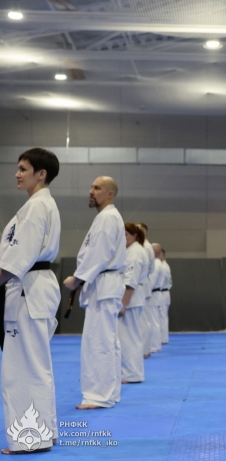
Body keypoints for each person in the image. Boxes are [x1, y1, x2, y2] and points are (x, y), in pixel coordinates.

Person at [0, 148, 61, 454]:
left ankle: (31, 438)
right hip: (31, 289)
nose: (17, 174)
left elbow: (15, 261)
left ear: (41, 173)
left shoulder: (37, 207)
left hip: (28, 289)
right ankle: (44, 433)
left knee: (22, 369)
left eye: (23, 168)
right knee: (35, 365)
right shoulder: (38, 205)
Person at [63, 176, 126, 410]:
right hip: (104, 283)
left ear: (110, 194)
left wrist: (78, 278)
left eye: (97, 188)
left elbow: (99, 253)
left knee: (99, 342)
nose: (91, 191)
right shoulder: (106, 217)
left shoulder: (108, 217)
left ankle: (99, 396)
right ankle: (110, 393)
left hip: (104, 283)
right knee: (107, 341)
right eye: (91, 187)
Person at [119, 222, 148, 384]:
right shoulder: (131, 250)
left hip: (130, 298)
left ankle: (131, 373)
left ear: (134, 236)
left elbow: (130, 281)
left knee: (128, 337)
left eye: (126, 235)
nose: (123, 238)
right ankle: (132, 372)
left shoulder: (135, 253)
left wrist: (123, 303)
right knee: (129, 336)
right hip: (132, 297)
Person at [137, 223, 156, 359]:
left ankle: (144, 350)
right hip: (142, 284)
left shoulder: (146, 246)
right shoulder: (141, 246)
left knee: (143, 320)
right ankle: (145, 348)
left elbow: (151, 268)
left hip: (142, 283)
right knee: (142, 320)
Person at [148, 244, 165, 355]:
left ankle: (154, 346)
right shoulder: (158, 264)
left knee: (153, 321)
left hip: (153, 293)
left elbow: (152, 281)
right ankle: (155, 344)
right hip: (155, 293)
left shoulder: (156, 264)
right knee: (155, 320)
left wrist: (145, 291)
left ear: (157, 253)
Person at [159, 247, 171, 344]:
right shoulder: (165, 266)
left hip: (162, 292)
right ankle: (163, 337)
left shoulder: (163, 267)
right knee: (163, 316)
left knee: (162, 316)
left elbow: (160, 282)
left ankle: (163, 338)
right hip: (164, 292)